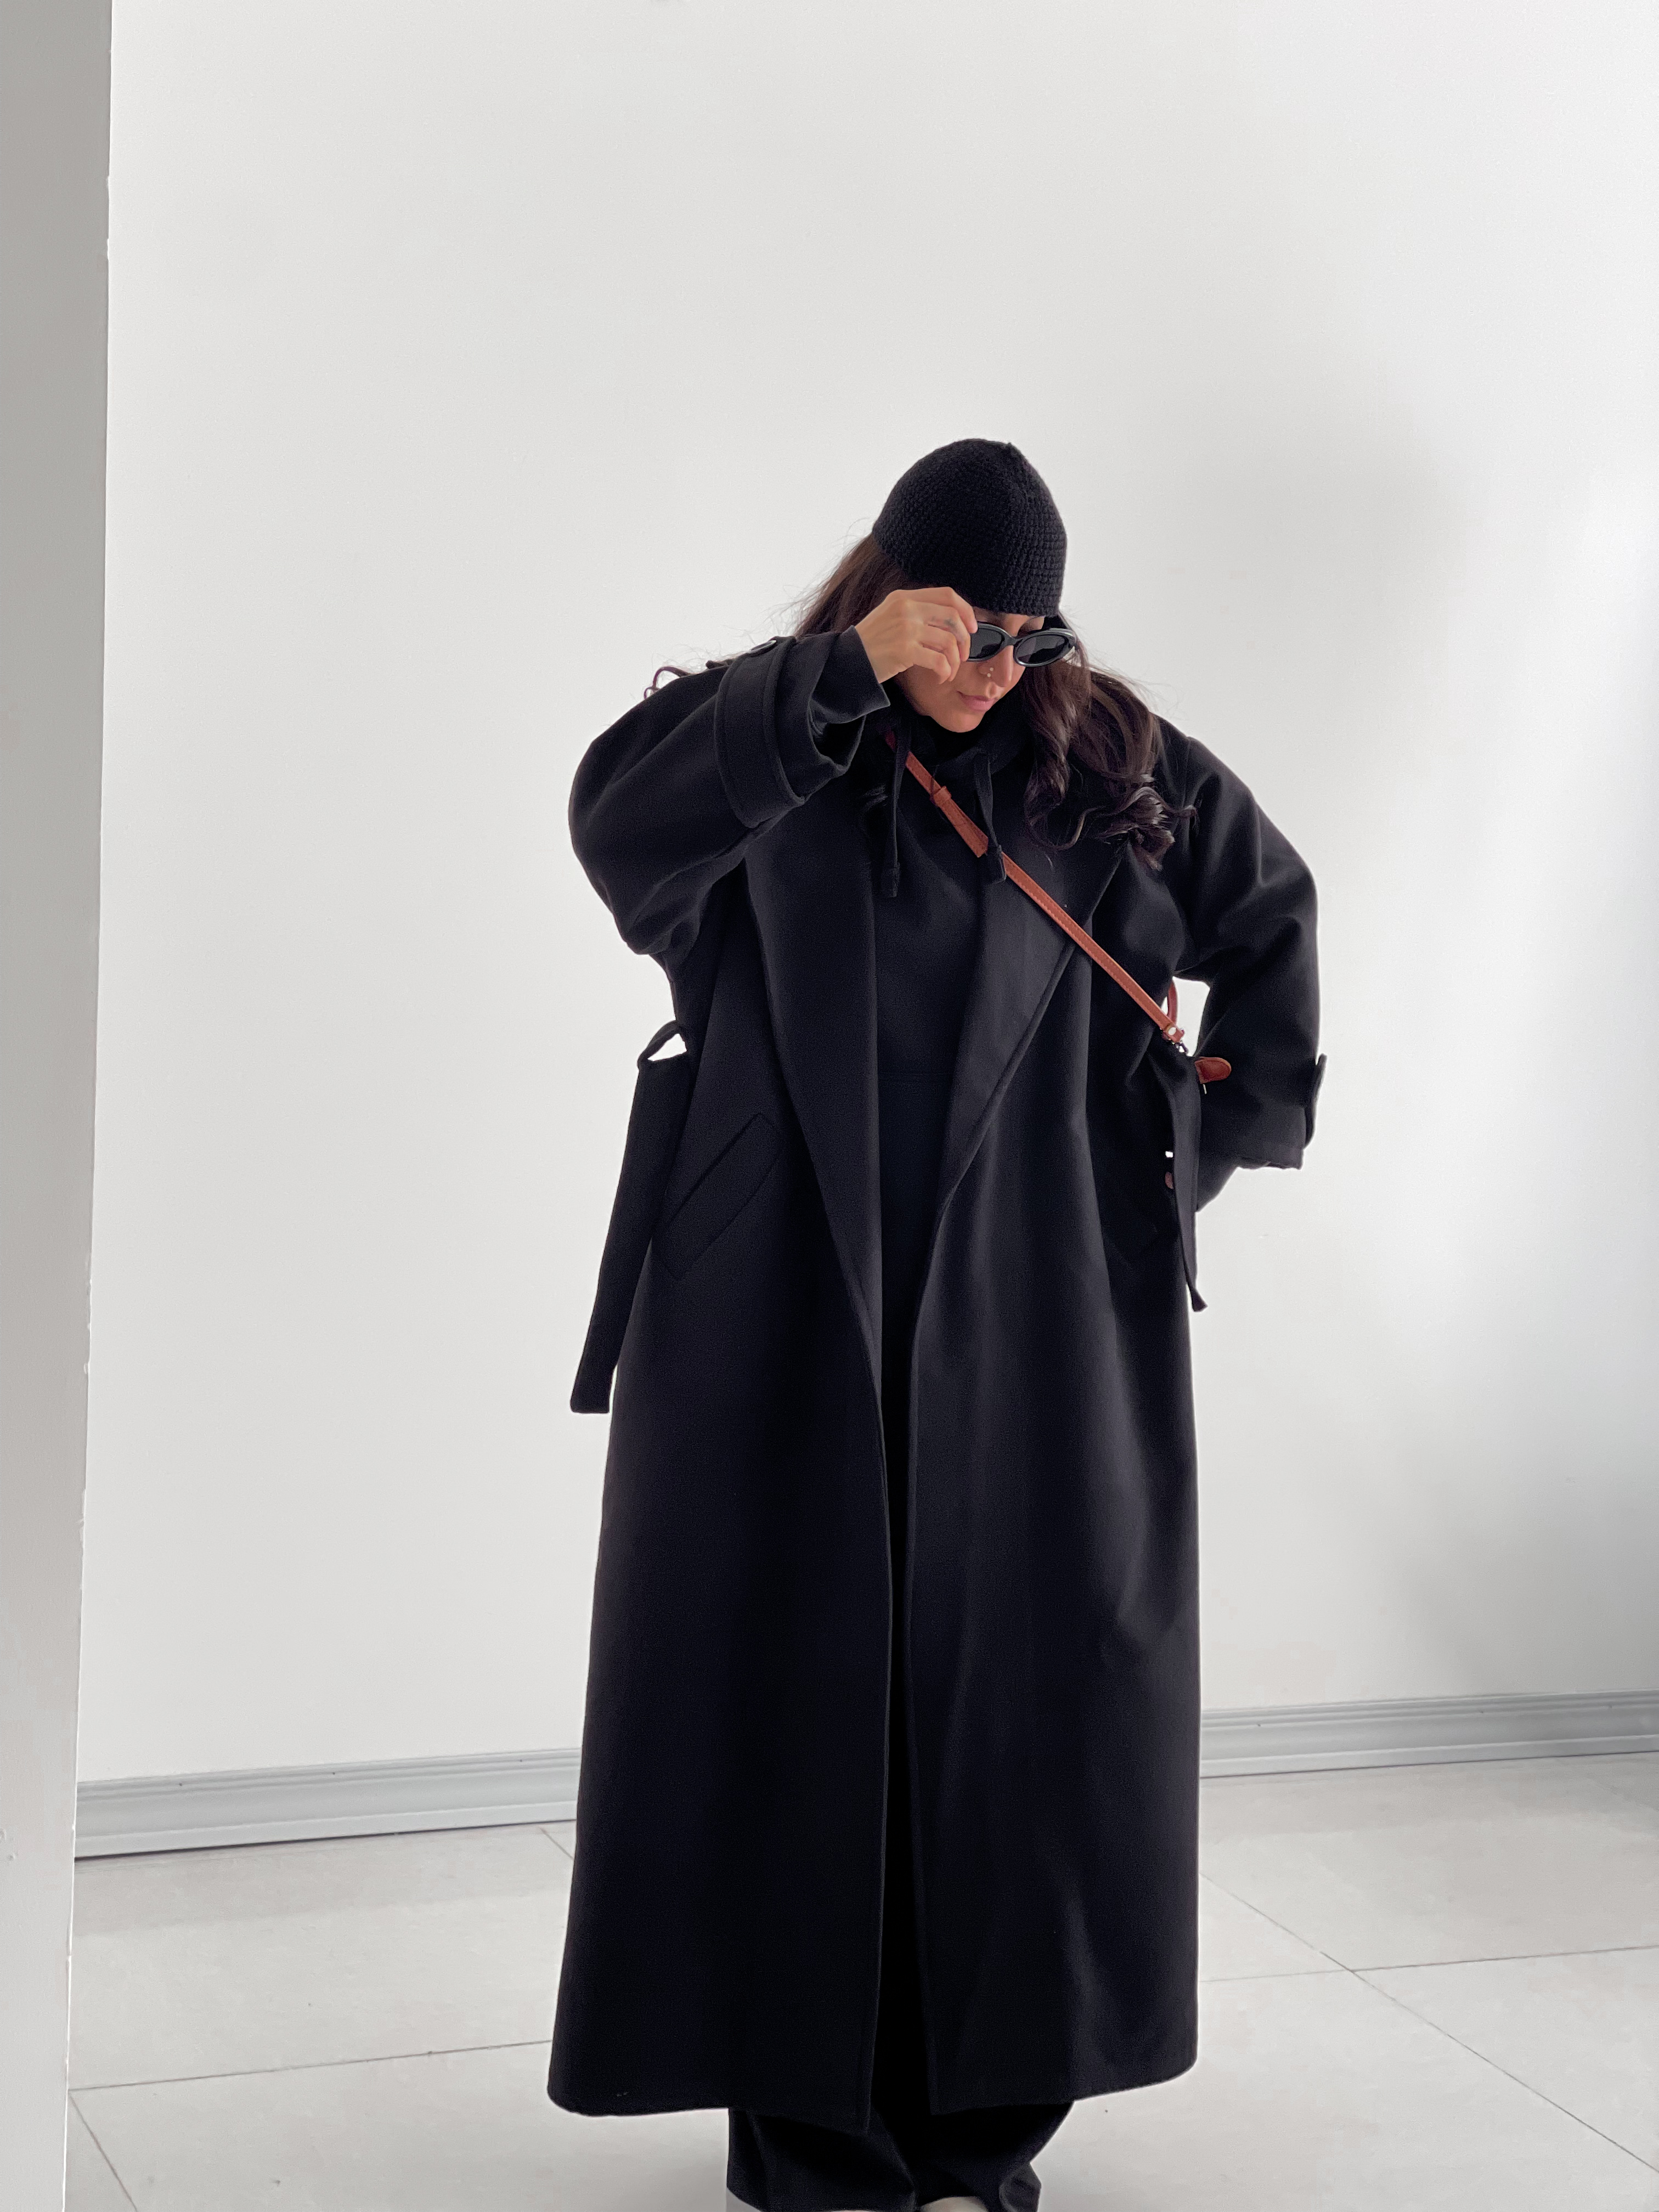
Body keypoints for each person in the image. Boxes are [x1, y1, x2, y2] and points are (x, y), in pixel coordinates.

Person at [548, 438, 1325, 2212]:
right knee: (783, 1692)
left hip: (1041, 1296)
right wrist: (836, 676)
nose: (996, 668)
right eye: (966, 629)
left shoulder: (1110, 764)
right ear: (896, 594)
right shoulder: (768, 737)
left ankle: (984, 2128)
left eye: (1028, 635)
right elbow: (611, 821)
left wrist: (1197, 1148)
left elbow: (1272, 919)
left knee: (1027, 1703)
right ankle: (809, 2138)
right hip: (779, 1295)